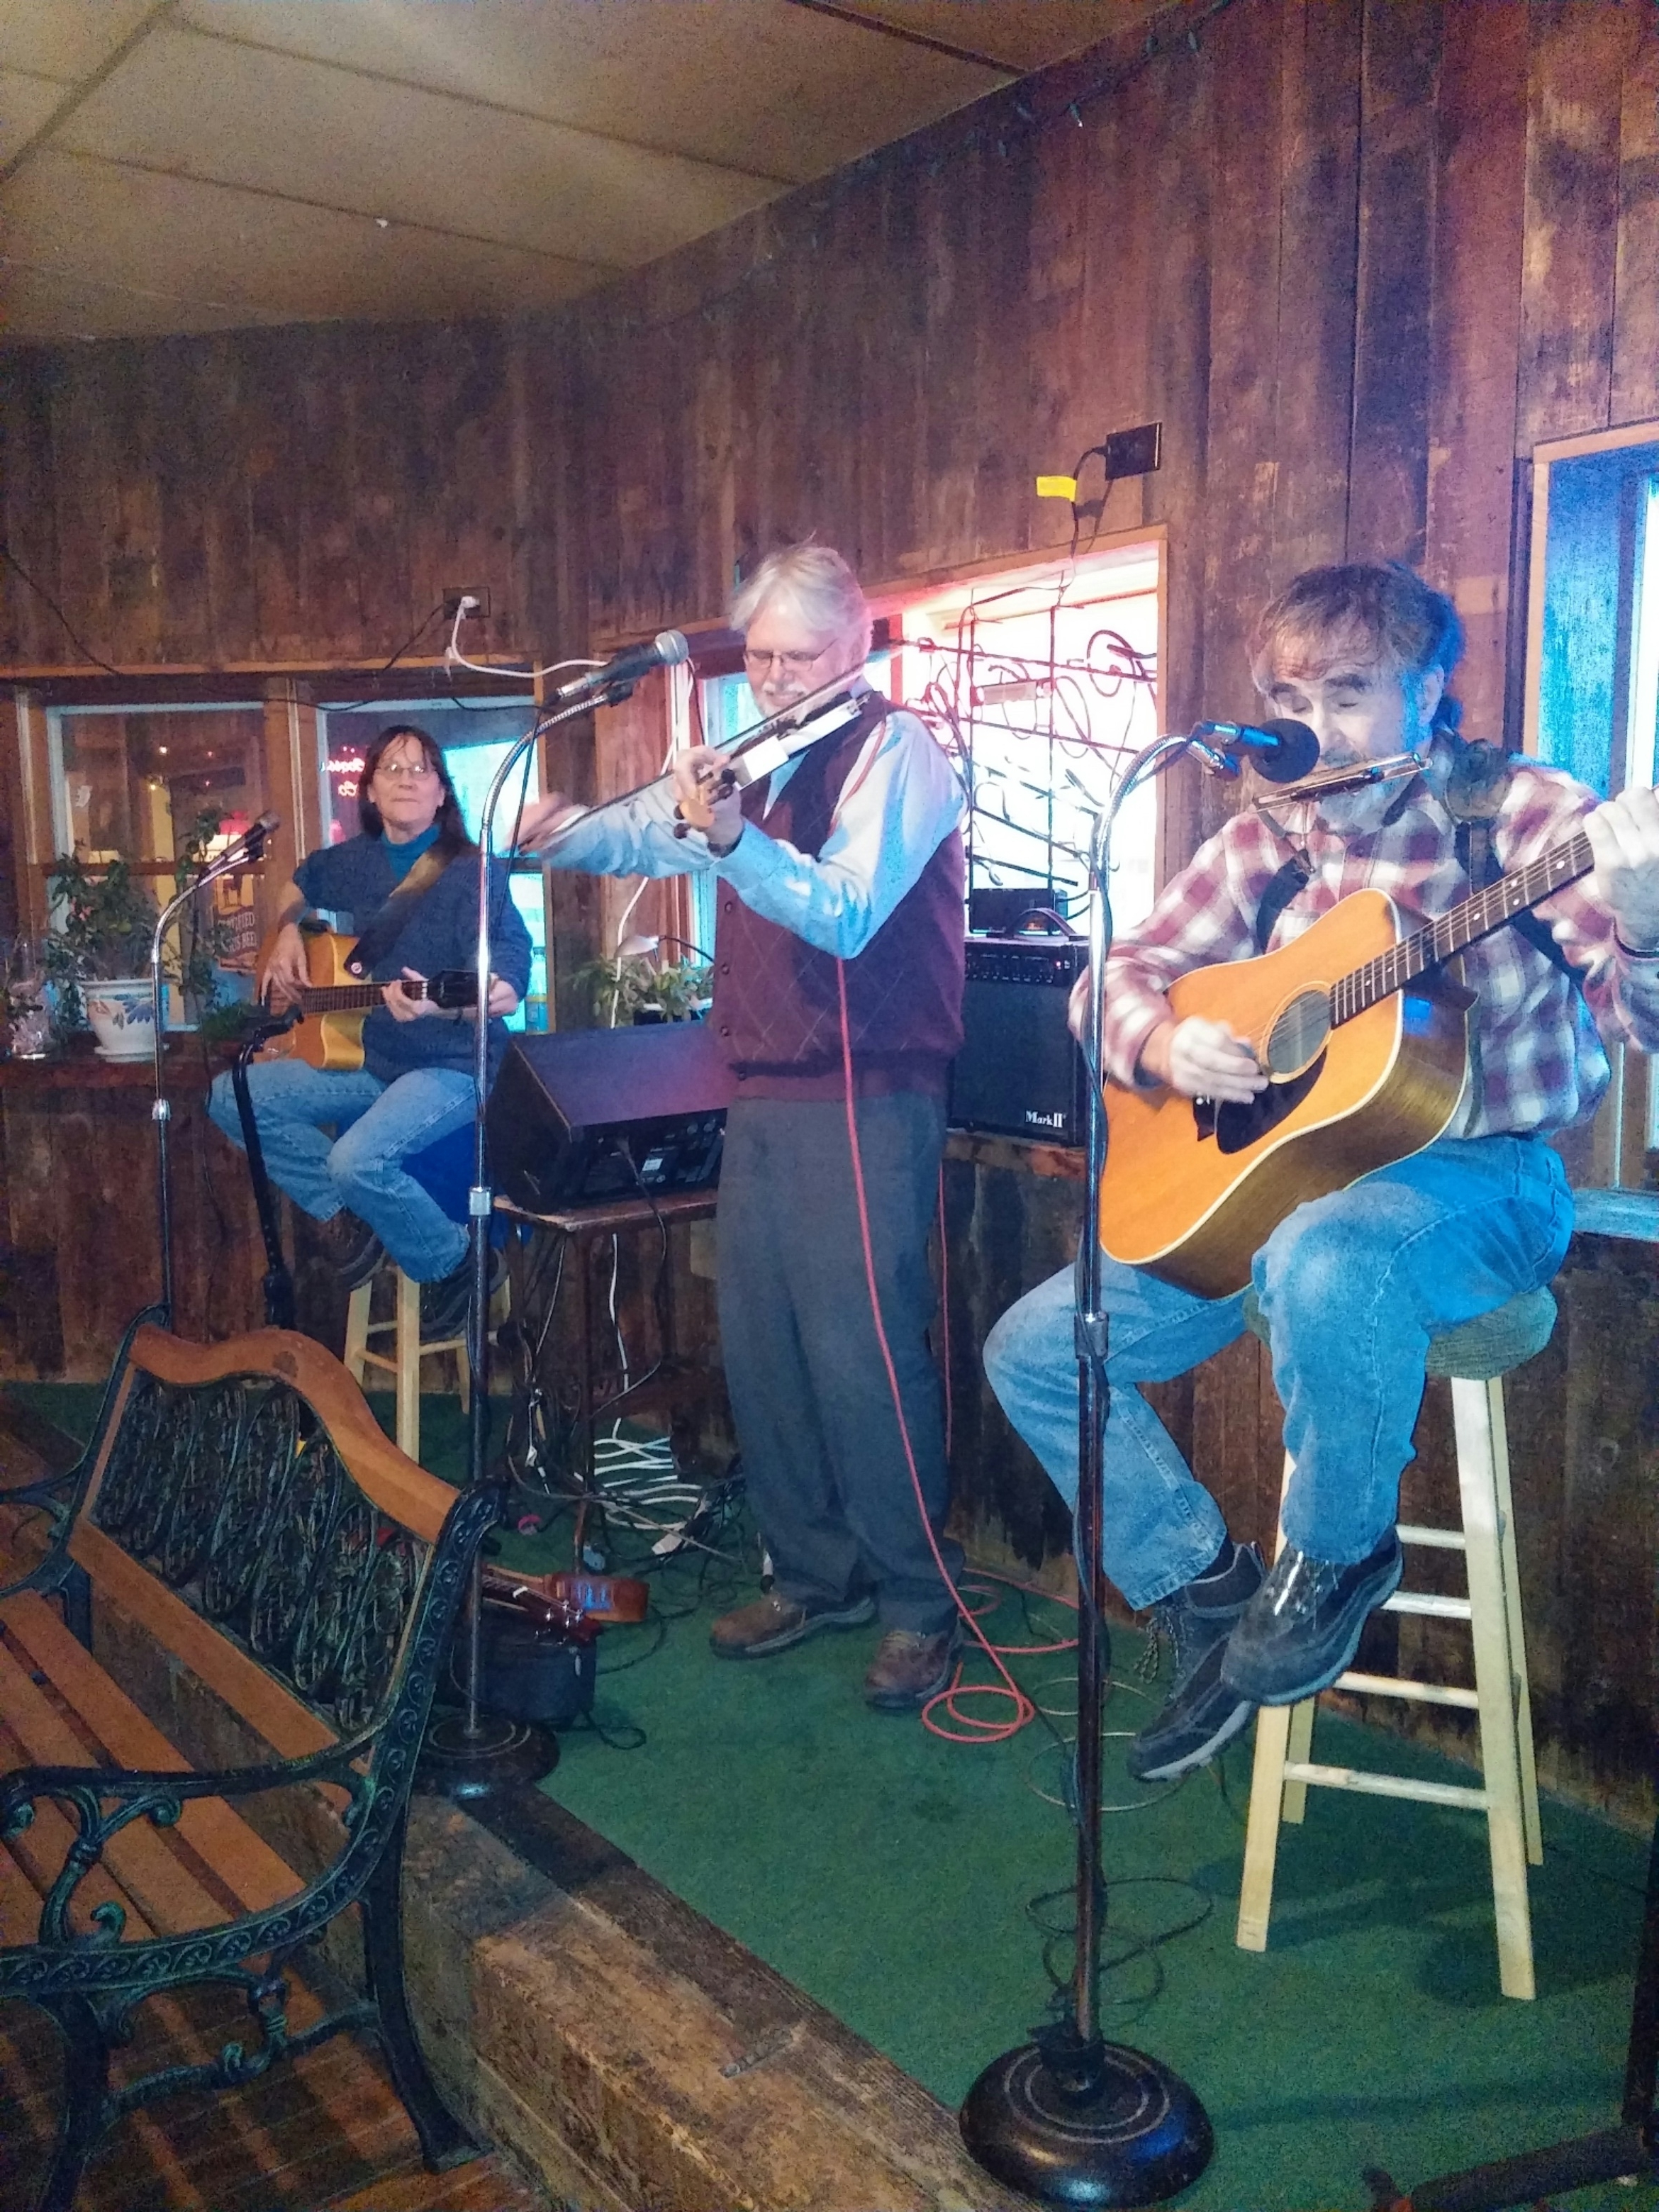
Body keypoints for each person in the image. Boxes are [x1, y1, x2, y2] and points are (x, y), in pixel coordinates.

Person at [984, 562, 1659, 1784]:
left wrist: (1649, 920)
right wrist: (1168, 1039)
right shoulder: (1269, 836)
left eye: (1349, 693)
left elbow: (1639, 1014)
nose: (1315, 726)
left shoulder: (1517, 817)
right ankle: (1199, 1585)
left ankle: (1336, 1552)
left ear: (1430, 689)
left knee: (1327, 1255)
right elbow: (1113, 976)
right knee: (1036, 1347)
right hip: (1290, 1187)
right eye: (1292, 695)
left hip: (1485, 1182)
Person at [515, 544, 968, 1710]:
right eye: (759, 656)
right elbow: (648, 836)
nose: (771, 677)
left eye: (797, 654)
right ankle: (813, 1574)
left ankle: (923, 1603)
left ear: (855, 644)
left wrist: (732, 841)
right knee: (766, 1354)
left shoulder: (896, 752)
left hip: (867, 1102)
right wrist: (565, 828)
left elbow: (850, 911)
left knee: (866, 1360)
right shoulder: (756, 760)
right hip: (762, 1093)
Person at [208, 723, 532, 1339]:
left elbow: (507, 987)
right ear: (371, 793)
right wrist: (285, 932)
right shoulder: (352, 863)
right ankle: (349, 1221)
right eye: (392, 769)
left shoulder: (475, 873)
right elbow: (298, 885)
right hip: (377, 1058)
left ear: (442, 794)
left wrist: (444, 1007)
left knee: (357, 1159)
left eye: (421, 770)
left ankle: (457, 1260)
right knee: (234, 1096)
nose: (407, 779)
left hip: (457, 1066)